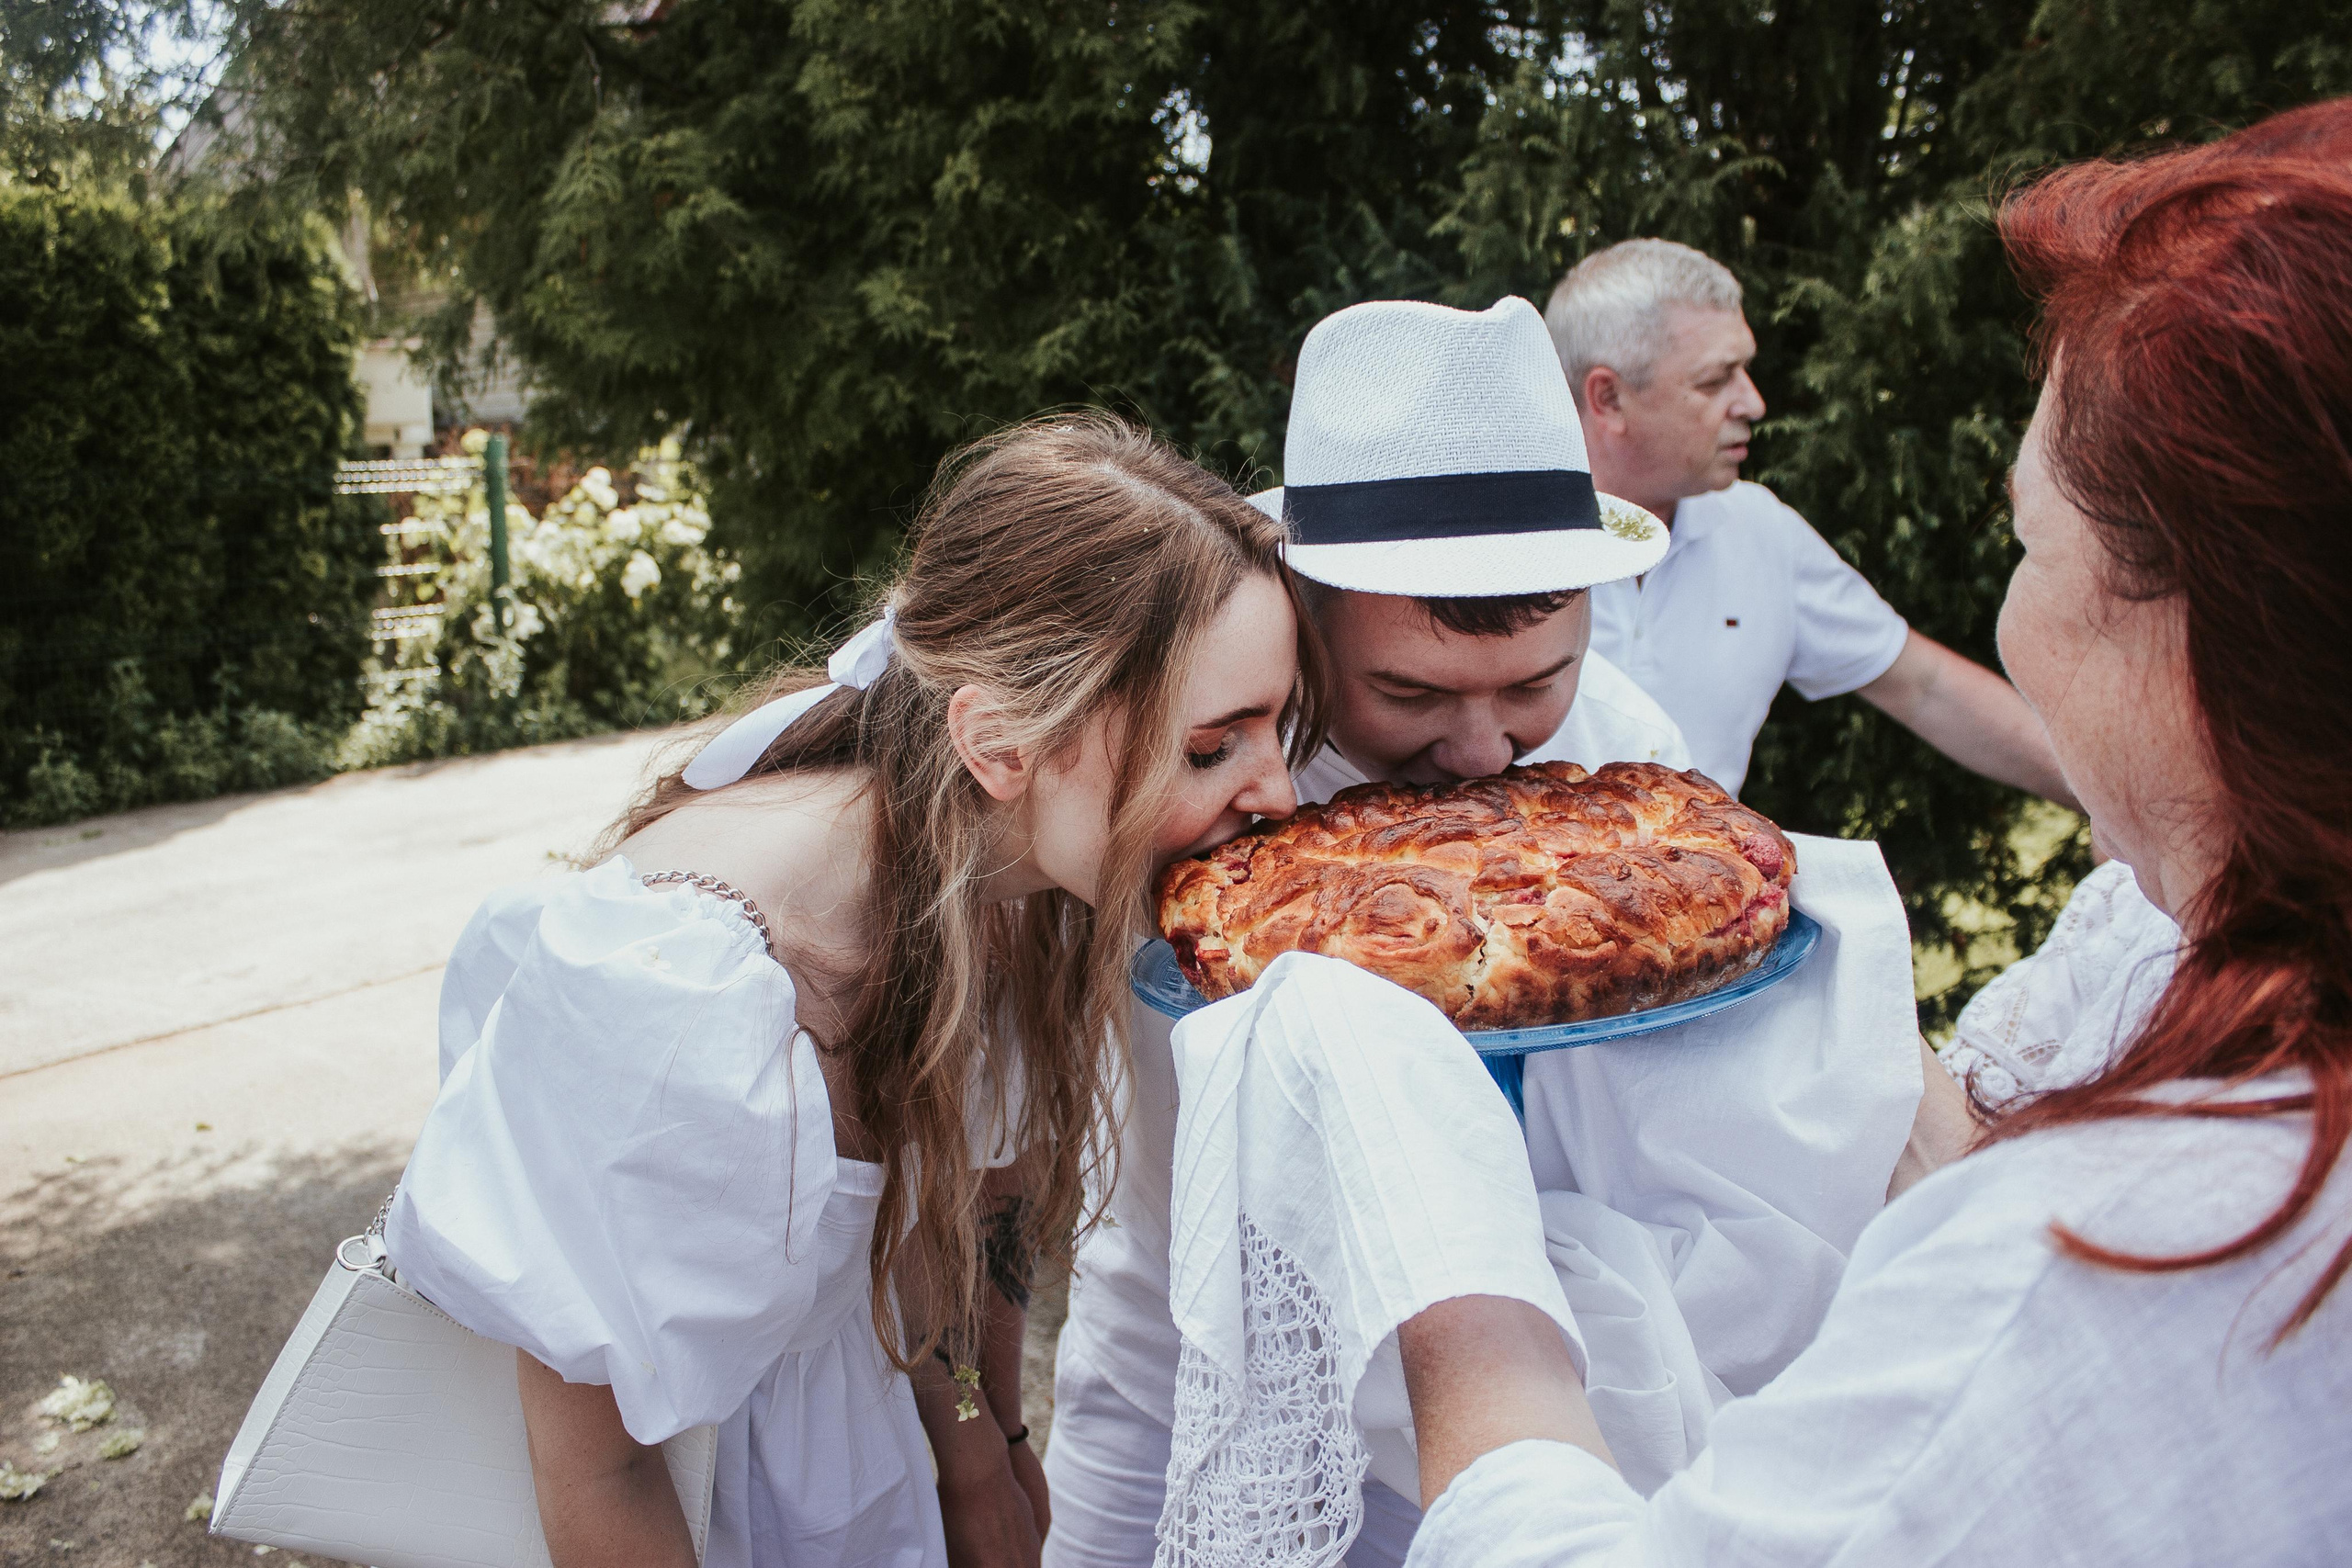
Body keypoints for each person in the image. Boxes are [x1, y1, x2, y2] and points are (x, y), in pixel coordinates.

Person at [1393, 101, 2352, 1564]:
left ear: (2216, 645)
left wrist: (1447, 1278)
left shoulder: (2096, 1255)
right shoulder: (2163, 946)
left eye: (2026, 547)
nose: (1751, 403)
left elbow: (1913, 676)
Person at [381, 415, 1329, 1568]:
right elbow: (599, 1466)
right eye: (1208, 748)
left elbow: (951, 1214)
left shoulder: (996, 871)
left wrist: (980, 1455)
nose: (1280, 793)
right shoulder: (687, 998)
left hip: (858, 1468)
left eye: (1272, 727)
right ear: (998, 739)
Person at [1041, 298, 1690, 1568]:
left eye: (1535, 684)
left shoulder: (1638, 774)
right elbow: (1157, 1230)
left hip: (1562, 1400)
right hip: (1239, 1394)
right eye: (1409, 691)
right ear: (1301, 608)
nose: (1482, 747)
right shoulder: (1203, 814)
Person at [1547, 237, 2076, 807]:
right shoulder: (1498, 548)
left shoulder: (1760, 532)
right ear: (1607, 398)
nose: (1752, 403)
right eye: (1713, 380)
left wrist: (2118, 804)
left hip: (1703, 889)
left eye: (1744, 371)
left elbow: (1925, 688)